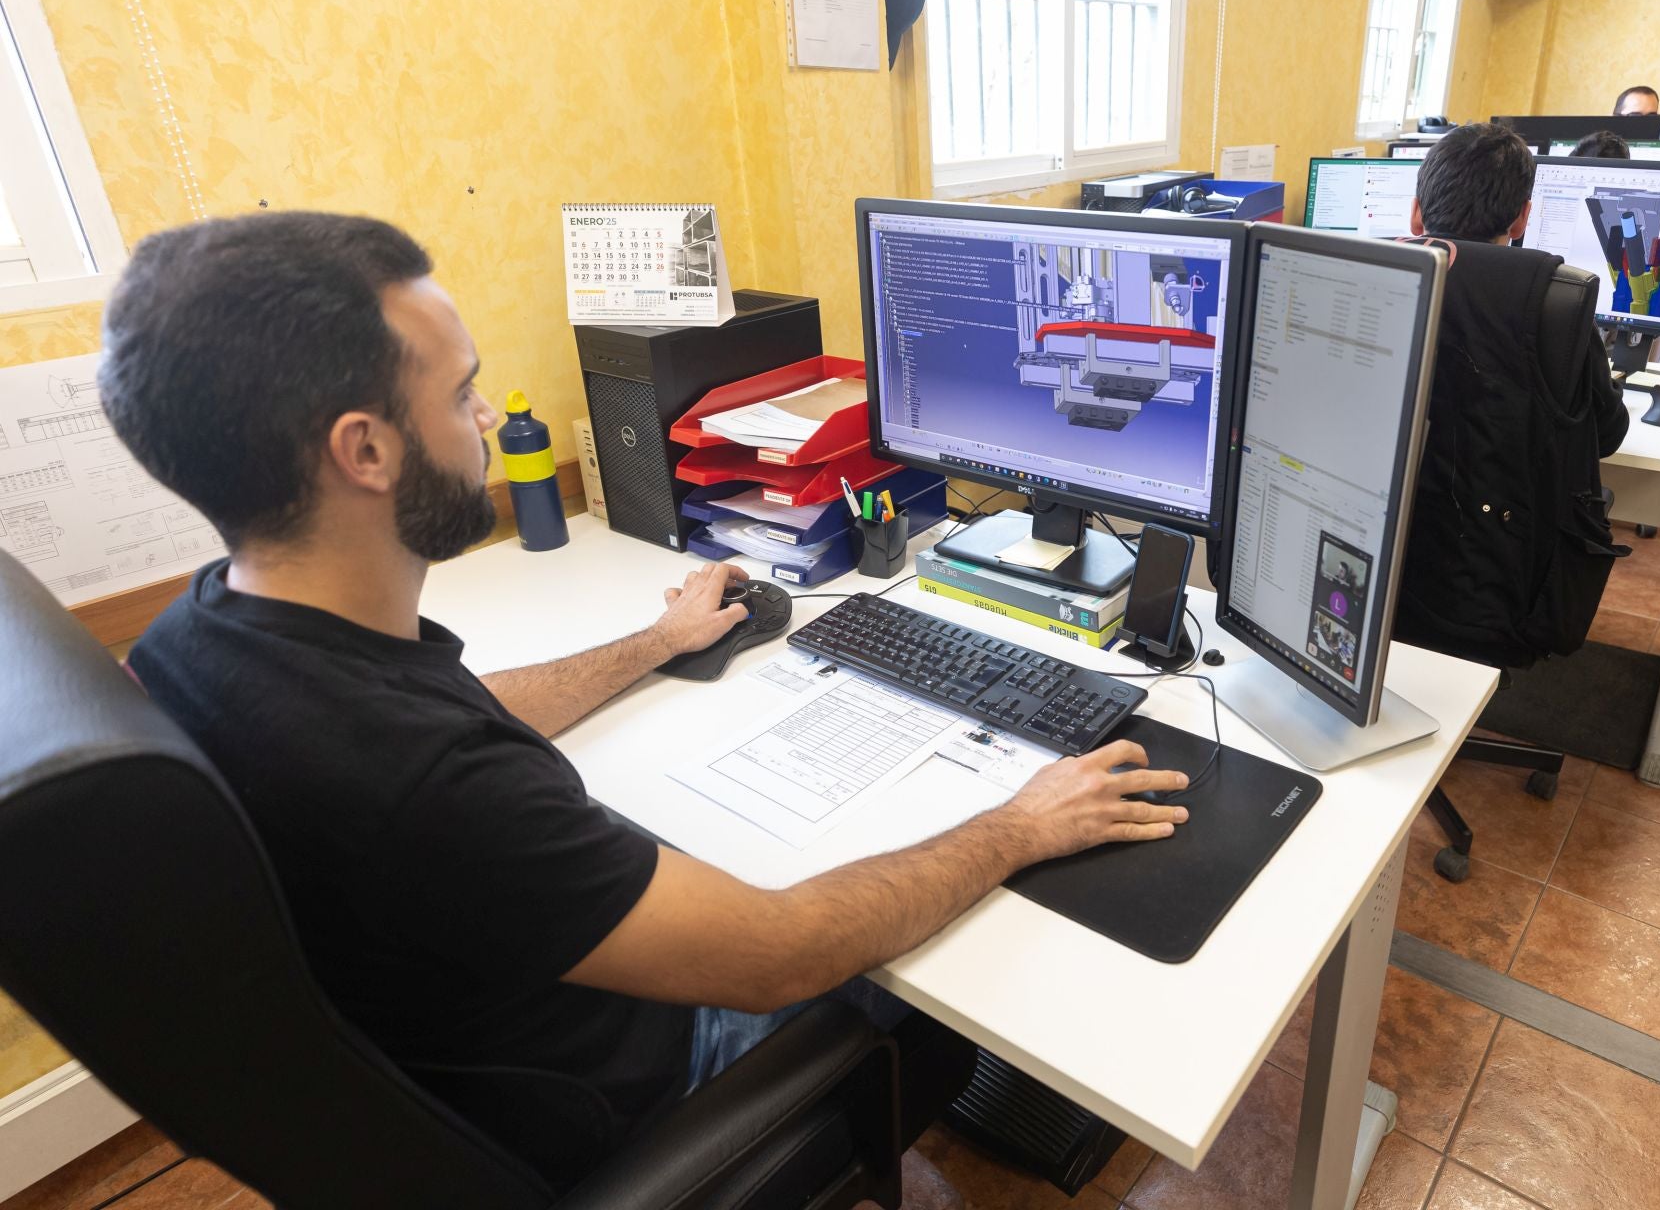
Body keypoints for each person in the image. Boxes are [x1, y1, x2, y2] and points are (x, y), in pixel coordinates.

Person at [99, 213, 1190, 1187]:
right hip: (630, 1099)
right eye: (461, 390)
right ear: (367, 449)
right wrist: (1016, 824)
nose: (487, 418)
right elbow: (782, 950)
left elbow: (459, 706)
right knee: (946, 951)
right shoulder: (427, 785)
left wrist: (658, 641)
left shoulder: (200, 638)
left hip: (456, 1058)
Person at [1400, 122, 1629, 666]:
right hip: (1497, 587)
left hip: (1374, 574)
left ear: (1415, 213)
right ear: (1523, 218)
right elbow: (1607, 436)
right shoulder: (1554, 304)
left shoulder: (1359, 281)